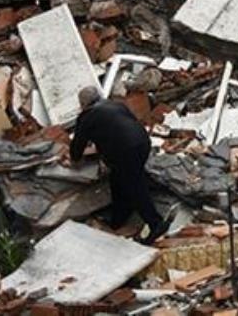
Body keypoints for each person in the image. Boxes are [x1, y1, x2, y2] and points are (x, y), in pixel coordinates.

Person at [70, 86, 167, 244]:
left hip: (125, 150)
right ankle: (119, 218)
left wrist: (75, 159)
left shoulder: (86, 116)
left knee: (134, 185)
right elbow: (123, 125)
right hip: (142, 142)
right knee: (118, 179)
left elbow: (77, 146)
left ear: (83, 104)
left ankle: (155, 222)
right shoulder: (116, 104)